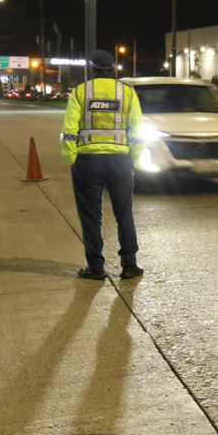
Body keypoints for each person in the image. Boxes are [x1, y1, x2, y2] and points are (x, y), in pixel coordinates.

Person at [60, 49, 145, 281]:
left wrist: (71, 157)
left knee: (91, 215)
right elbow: (137, 129)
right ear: (113, 69)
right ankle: (129, 264)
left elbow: (69, 129)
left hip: (88, 160)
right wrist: (133, 157)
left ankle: (95, 266)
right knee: (124, 213)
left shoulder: (81, 91)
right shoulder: (127, 92)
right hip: (120, 160)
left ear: (92, 69)